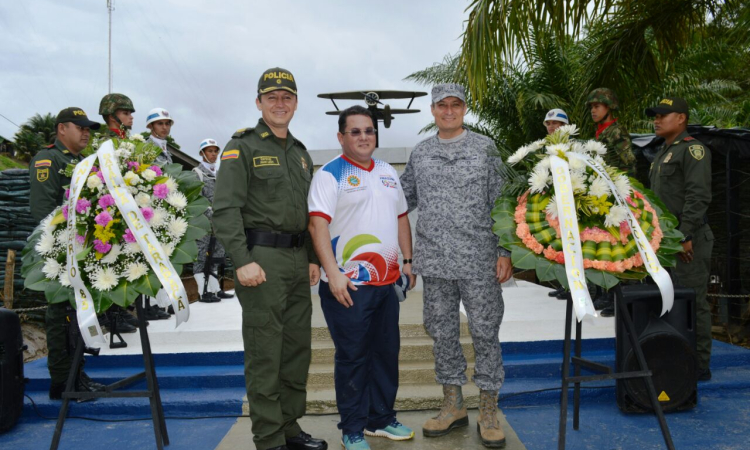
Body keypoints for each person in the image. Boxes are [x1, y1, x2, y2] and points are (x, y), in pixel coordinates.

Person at [212, 67, 327, 450]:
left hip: (297, 258)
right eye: (272, 97)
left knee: (296, 350)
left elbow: (308, 211)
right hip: (261, 259)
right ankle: (268, 437)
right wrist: (241, 260)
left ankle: (289, 428)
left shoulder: (300, 153)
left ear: (295, 102)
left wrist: (311, 256)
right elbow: (226, 209)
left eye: (287, 97)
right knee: (266, 350)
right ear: (259, 102)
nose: (280, 103)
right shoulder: (241, 146)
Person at [400, 84, 512, 448]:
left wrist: (505, 251)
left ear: (465, 108)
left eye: (456, 105)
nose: (449, 111)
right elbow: (401, 200)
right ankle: (453, 405)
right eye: (442, 105)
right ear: (432, 110)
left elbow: (502, 202)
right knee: (441, 331)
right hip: (435, 260)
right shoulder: (421, 153)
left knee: (484, 330)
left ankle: (489, 408)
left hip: (479, 258)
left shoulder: (484, 148)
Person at [308, 106, 417, 450]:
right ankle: (352, 428)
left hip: (386, 283)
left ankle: (380, 419)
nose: (364, 137)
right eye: (355, 131)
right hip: (348, 285)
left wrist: (408, 261)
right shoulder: (330, 174)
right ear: (341, 137)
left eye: (369, 130)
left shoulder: (386, 171)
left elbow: (401, 217)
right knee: (353, 357)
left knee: (386, 352)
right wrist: (334, 273)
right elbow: (317, 225)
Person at [29, 107, 106, 400]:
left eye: (88, 128)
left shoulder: (82, 162)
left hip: (80, 250)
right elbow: (42, 212)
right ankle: (62, 381)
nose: (86, 132)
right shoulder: (47, 160)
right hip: (58, 253)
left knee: (76, 314)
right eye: (80, 127)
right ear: (62, 129)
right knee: (60, 314)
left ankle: (77, 375)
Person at [646, 97, 713, 381]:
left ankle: (699, 364)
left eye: (663, 115)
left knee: (693, 300)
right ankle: (673, 357)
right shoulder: (662, 152)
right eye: (655, 115)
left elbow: (698, 196)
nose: (657, 120)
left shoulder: (693, 150)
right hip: (665, 243)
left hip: (689, 240)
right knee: (666, 302)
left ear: (682, 118)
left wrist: (685, 235)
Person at [587, 88, 636, 316]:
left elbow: (628, 165)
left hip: (615, 198)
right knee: (602, 245)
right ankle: (604, 294)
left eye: (597, 106)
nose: (593, 110)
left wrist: (617, 191)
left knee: (615, 246)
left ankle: (616, 297)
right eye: (592, 107)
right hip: (601, 197)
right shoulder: (600, 133)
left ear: (609, 107)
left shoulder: (616, 132)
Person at [192, 138, 232, 302]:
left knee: (218, 254)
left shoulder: (220, 174)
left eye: (215, 151)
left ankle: (215, 289)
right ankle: (203, 292)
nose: (213, 154)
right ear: (202, 153)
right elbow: (196, 199)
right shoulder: (197, 173)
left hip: (220, 222)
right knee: (202, 256)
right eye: (209, 151)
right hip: (204, 222)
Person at [544, 108, 571, 300]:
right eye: (549, 123)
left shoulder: (573, 146)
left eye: (556, 123)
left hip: (571, 203)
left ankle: (577, 287)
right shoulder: (544, 147)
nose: (551, 127)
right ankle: (564, 284)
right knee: (559, 245)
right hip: (553, 203)